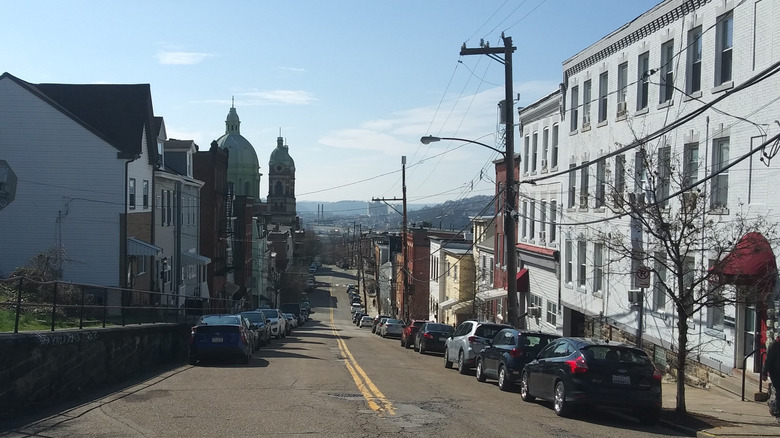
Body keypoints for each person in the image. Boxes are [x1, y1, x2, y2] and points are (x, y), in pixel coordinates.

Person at [765, 336, 780, 421]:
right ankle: (778, 413)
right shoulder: (773, 346)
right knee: (779, 392)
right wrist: (764, 372)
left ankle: (773, 404)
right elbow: (768, 360)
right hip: (775, 373)